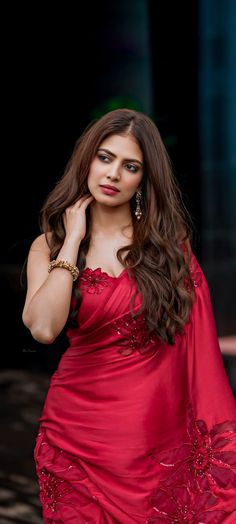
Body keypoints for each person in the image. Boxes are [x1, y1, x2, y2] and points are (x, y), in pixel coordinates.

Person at [22, 108, 236, 523]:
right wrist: (72, 243)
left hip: (150, 440)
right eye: (105, 158)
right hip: (74, 434)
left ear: (144, 178)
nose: (114, 174)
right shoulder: (48, 245)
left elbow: (196, 352)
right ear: (87, 160)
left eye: (130, 166)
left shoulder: (168, 248)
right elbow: (44, 328)